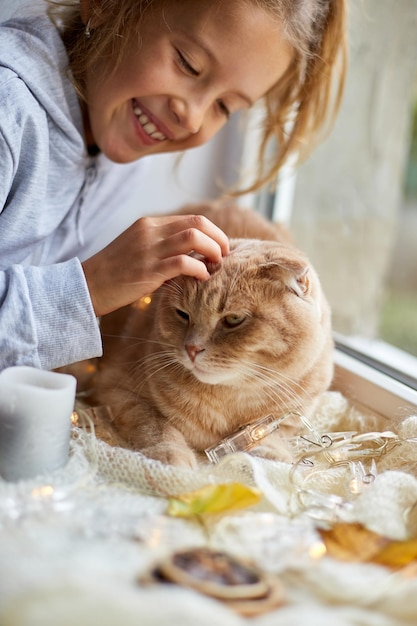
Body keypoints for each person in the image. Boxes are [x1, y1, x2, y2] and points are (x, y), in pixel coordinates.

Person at [0, 0, 346, 371]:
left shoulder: (120, 159)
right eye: (187, 63)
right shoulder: (9, 113)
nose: (193, 116)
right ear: (106, 5)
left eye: (224, 107)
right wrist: (92, 287)